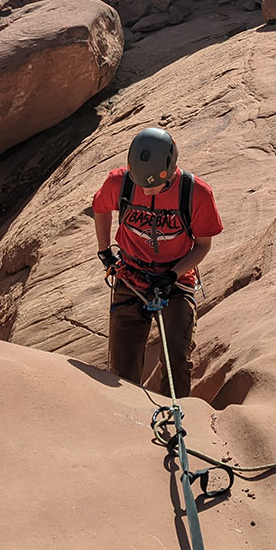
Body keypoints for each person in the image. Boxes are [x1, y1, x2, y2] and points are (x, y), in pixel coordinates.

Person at [92, 127, 223, 398]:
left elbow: (202, 246)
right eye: (142, 185)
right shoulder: (121, 183)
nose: (147, 191)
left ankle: (178, 424)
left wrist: (172, 276)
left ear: (171, 168)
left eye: (153, 185)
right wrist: (104, 251)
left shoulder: (196, 194)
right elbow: (100, 208)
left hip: (175, 281)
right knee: (122, 370)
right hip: (131, 276)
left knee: (177, 360)